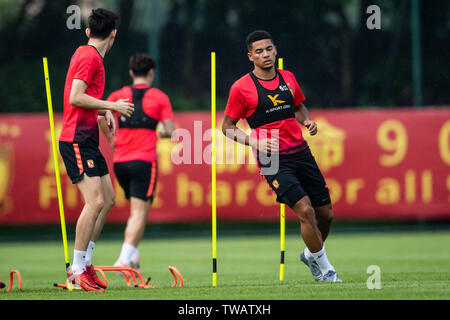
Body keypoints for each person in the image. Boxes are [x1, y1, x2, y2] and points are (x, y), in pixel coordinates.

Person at [222, 30, 341, 282]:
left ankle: (311, 255)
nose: (265, 54)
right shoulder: (241, 88)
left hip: (301, 152)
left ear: (275, 50)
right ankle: (327, 273)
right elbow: (227, 128)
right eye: (259, 51)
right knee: (305, 211)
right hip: (272, 159)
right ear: (250, 56)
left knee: (326, 214)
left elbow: (298, 107)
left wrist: (307, 121)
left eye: (269, 49)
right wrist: (252, 140)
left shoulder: (287, 77)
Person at [59, 8, 134, 291]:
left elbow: (83, 99)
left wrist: (103, 113)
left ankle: (86, 263)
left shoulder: (91, 56)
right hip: (76, 139)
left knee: (109, 199)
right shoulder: (89, 56)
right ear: (114, 33)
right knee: (96, 202)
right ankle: (76, 271)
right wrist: (112, 105)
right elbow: (76, 97)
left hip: (88, 137)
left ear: (89, 31)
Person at [99, 53, 175, 273]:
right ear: (151, 72)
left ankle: (133, 257)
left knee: (136, 211)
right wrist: (161, 131)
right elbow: (169, 130)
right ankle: (124, 259)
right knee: (139, 213)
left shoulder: (118, 94)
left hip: (120, 162)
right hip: (144, 161)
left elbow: (101, 118)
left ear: (131, 72)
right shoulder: (159, 97)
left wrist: (111, 139)